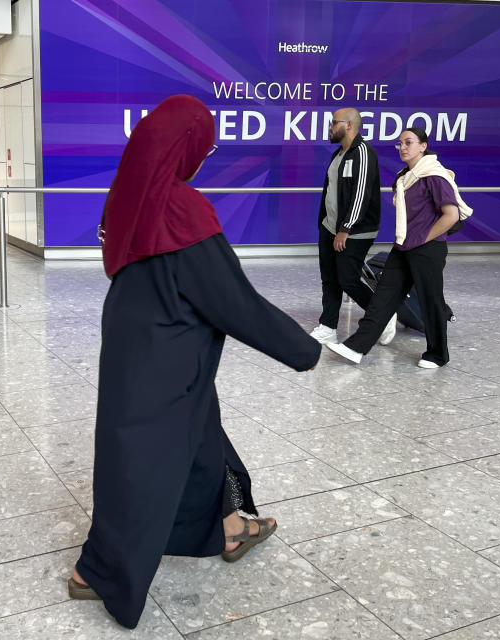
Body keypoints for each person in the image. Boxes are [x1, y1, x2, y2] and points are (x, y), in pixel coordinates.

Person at [68, 95, 321, 629]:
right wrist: (303, 349)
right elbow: (232, 300)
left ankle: (226, 526)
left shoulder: (127, 196)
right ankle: (97, 571)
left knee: (202, 440)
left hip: (135, 346)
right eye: (201, 149)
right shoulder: (182, 207)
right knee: (142, 464)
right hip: (168, 360)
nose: (202, 160)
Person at [326, 127, 471, 369]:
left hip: (427, 249)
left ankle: (437, 355)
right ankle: (355, 347)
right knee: (383, 298)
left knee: (430, 300)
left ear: (423, 146)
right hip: (404, 247)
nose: (403, 147)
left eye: (409, 142)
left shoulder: (434, 176)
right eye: (400, 143)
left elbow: (451, 215)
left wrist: (422, 238)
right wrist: (410, 240)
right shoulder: (406, 176)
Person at [309, 108, 396, 346]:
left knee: (347, 279)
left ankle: (382, 315)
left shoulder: (364, 153)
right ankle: (327, 326)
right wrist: (328, 225)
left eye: (333, 123)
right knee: (329, 278)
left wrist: (345, 228)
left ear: (348, 125)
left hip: (354, 231)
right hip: (330, 228)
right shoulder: (338, 154)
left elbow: (361, 194)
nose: (329, 127)